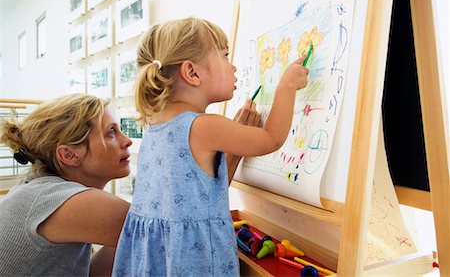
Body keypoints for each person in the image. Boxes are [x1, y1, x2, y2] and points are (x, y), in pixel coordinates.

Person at [112, 17, 309, 276]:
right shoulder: (205, 126)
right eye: (225, 56)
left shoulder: (155, 126)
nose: (234, 67)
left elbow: (196, 196)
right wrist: (287, 86)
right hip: (196, 261)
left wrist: (235, 143)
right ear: (192, 73)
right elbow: (272, 138)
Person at [0, 93, 133, 276]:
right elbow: (164, 229)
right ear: (69, 155)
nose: (127, 141)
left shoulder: (37, 190)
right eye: (111, 132)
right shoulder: (58, 199)